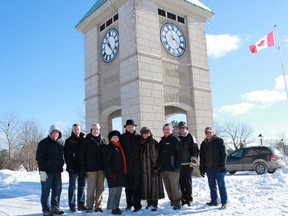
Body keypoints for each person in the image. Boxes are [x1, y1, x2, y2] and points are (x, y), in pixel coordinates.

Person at [36, 124, 65, 216]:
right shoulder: (43, 143)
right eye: (53, 132)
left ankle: (55, 207)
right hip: (46, 172)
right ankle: (46, 209)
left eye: (57, 133)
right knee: (46, 191)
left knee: (57, 190)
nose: (55, 134)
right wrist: (42, 171)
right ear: (50, 133)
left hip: (57, 171)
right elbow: (39, 158)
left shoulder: (60, 144)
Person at [79, 123, 106, 212]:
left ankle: (98, 206)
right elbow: (82, 155)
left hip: (101, 169)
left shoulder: (102, 140)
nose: (96, 131)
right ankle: (89, 206)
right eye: (94, 129)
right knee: (91, 188)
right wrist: (83, 168)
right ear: (91, 130)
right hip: (90, 169)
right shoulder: (86, 140)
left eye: (97, 129)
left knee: (100, 188)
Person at [199, 126, 228, 209]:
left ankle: (224, 202)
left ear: (213, 133)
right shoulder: (203, 144)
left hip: (219, 168)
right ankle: (214, 201)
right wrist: (202, 167)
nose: (208, 134)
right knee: (212, 186)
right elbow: (202, 156)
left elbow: (224, 154)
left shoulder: (219, 141)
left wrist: (223, 165)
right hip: (209, 168)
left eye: (210, 132)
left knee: (221, 185)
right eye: (206, 132)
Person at [139, 127, 164, 211]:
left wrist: (155, 167)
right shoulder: (141, 142)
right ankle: (149, 203)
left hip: (153, 169)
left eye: (147, 133)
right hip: (144, 170)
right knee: (147, 187)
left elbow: (156, 156)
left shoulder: (153, 142)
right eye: (144, 133)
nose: (146, 134)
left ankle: (154, 204)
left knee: (154, 187)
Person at [159, 123, 182, 210]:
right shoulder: (161, 141)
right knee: (168, 186)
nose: (166, 131)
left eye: (168, 129)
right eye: (165, 129)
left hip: (173, 168)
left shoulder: (176, 140)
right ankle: (172, 201)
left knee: (174, 186)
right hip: (164, 168)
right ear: (163, 131)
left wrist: (177, 166)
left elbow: (180, 155)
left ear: (171, 130)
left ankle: (177, 202)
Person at [103, 130, 127, 215]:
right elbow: (106, 162)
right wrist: (110, 173)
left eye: (117, 137)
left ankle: (116, 207)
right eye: (114, 137)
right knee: (113, 191)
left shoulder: (119, 147)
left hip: (120, 174)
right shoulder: (109, 147)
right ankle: (113, 208)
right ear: (110, 139)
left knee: (118, 191)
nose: (116, 138)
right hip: (113, 174)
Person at [120, 119, 142, 212]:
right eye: (129, 126)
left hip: (137, 165)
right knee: (128, 186)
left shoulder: (139, 137)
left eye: (132, 126)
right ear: (126, 127)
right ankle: (129, 204)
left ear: (135, 127)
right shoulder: (122, 137)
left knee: (137, 186)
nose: (131, 128)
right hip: (126, 165)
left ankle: (137, 205)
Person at [64, 123, 86, 212]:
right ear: (72, 130)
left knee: (82, 186)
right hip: (73, 168)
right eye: (74, 129)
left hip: (82, 167)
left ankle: (81, 204)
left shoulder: (83, 139)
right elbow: (67, 155)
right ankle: (72, 205)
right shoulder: (69, 140)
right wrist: (69, 166)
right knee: (72, 187)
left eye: (78, 129)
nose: (76, 131)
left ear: (80, 130)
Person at [178, 121, 200, 206]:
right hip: (180, 165)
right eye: (180, 128)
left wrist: (193, 160)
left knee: (188, 182)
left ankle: (189, 200)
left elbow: (195, 149)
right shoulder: (177, 137)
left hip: (188, 164)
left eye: (184, 128)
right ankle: (183, 200)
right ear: (179, 129)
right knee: (181, 183)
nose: (182, 129)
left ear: (186, 128)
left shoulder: (191, 137)